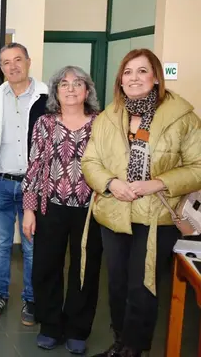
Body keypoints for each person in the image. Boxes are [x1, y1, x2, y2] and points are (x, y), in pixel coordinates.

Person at [82, 49, 201, 357]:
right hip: (114, 213)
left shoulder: (181, 117)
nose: (134, 77)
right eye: (128, 72)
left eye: (142, 71)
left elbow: (198, 166)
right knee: (118, 284)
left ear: (156, 77)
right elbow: (90, 161)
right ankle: (121, 342)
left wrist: (158, 182)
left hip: (156, 217)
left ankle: (134, 349)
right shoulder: (108, 117)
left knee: (142, 286)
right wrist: (111, 183)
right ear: (120, 80)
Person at [21, 66, 101, 354]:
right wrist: (29, 211)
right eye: (63, 84)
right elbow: (34, 166)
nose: (70, 89)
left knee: (85, 270)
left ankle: (78, 329)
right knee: (46, 268)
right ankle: (51, 326)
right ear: (55, 91)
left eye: (77, 83)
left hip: (90, 210)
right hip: (49, 207)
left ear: (87, 91)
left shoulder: (101, 124)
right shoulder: (44, 123)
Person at [0, 42, 48, 325]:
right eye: (6, 62)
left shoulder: (47, 98)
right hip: (2, 183)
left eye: (17, 60)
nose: (12, 66)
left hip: (34, 186)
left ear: (28, 62)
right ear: (1, 68)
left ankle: (31, 300)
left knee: (32, 246)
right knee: (1, 244)